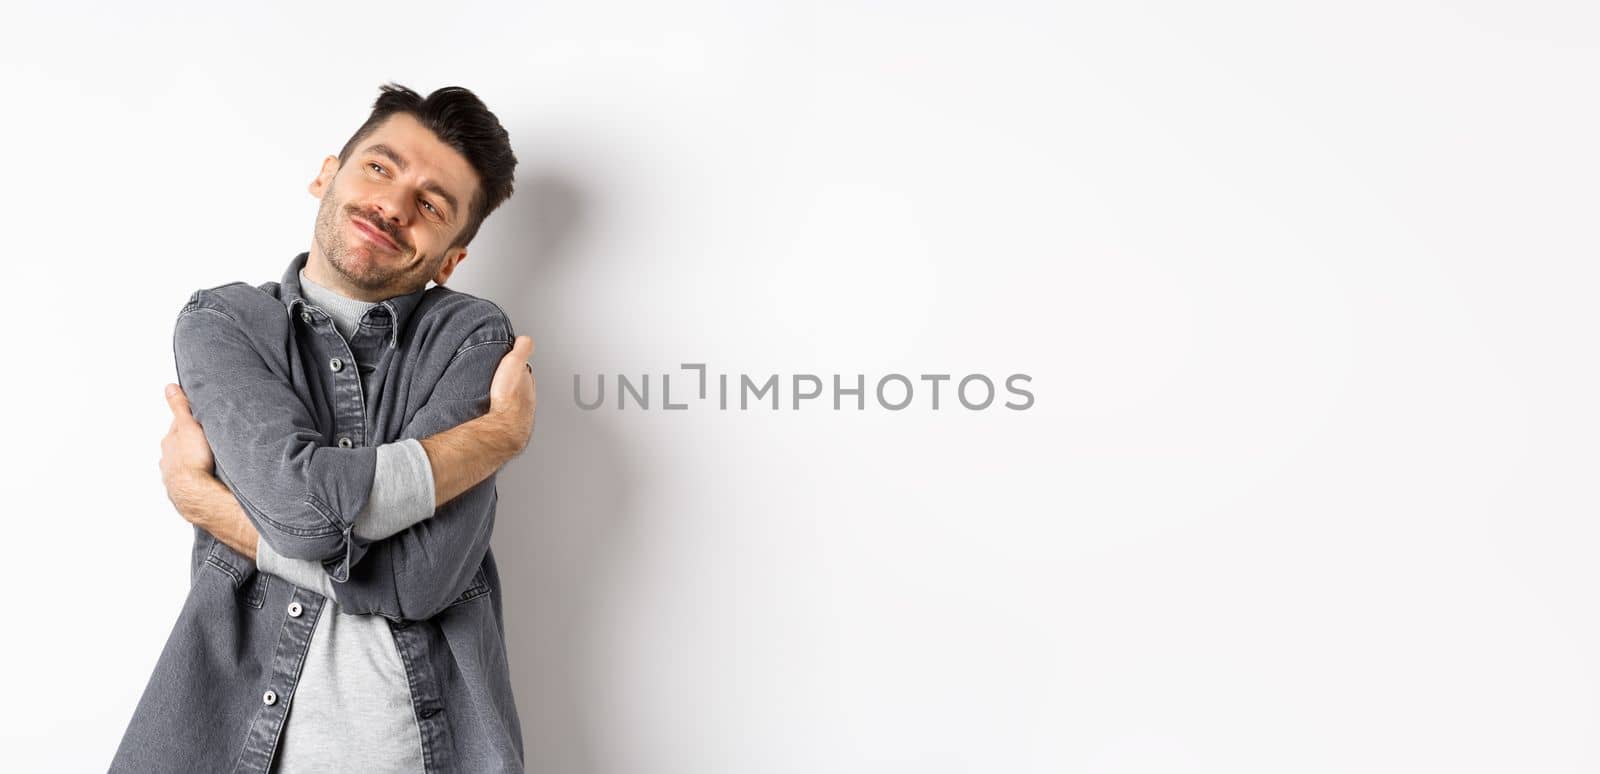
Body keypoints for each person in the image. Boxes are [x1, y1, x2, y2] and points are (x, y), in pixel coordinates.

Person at [111, 83, 536, 773]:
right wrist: (494, 439)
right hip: (223, 747)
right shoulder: (224, 323)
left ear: (451, 259)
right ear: (326, 173)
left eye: (431, 205)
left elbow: (420, 581)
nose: (394, 205)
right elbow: (304, 515)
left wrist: (217, 511)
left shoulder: (470, 337)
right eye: (380, 167)